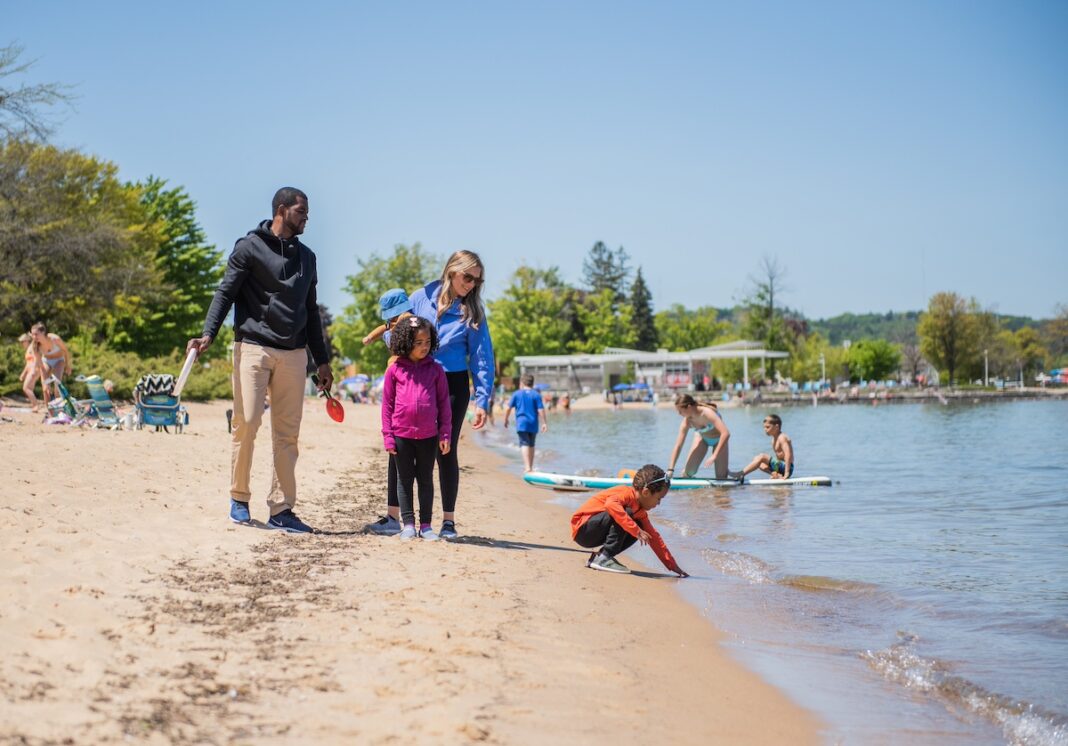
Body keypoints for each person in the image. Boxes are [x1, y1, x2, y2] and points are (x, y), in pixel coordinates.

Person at [187, 187, 333, 533]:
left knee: (287, 434)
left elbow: (311, 311)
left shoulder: (308, 258)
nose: (307, 218)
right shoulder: (248, 247)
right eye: (301, 212)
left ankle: (282, 508)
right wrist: (209, 332)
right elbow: (226, 292)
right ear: (281, 210)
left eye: (308, 213)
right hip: (253, 346)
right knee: (247, 422)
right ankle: (239, 497)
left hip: (295, 354)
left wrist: (322, 361)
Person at [408, 250, 494, 539]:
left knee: (446, 450)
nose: (471, 285)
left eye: (476, 281)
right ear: (451, 271)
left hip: (454, 384)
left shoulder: (474, 312)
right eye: (467, 277)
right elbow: (399, 329)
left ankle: (448, 522)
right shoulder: (421, 297)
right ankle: (415, 521)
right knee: (418, 450)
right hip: (420, 379)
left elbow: (482, 357)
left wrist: (483, 399)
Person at [381, 316, 451, 541]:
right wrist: (388, 436)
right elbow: (387, 405)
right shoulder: (394, 371)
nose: (424, 347)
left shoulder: (436, 370)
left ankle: (426, 525)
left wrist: (446, 433)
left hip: (429, 436)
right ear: (405, 342)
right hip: (401, 435)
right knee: (404, 480)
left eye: (427, 342)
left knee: (426, 480)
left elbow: (444, 404)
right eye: (418, 342)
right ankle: (408, 524)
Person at [570, 464, 687, 576]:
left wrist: (672, 565)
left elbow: (654, 538)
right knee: (628, 515)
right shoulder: (626, 493)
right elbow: (611, 504)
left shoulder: (640, 512)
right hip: (583, 529)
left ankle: (601, 557)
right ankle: (604, 558)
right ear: (646, 492)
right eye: (658, 498)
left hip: (593, 533)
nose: (659, 503)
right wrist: (636, 530)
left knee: (640, 527)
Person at [363, 288, 415, 536]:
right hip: (399, 389)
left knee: (402, 459)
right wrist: (370, 338)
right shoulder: (393, 325)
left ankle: (402, 518)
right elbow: (382, 329)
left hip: (403, 387)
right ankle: (399, 517)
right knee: (398, 456)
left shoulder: (408, 322)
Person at [666, 393, 732, 479]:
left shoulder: (707, 413)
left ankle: (726, 473)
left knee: (721, 477)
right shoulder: (687, 422)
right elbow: (678, 445)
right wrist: (670, 469)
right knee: (689, 472)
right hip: (703, 439)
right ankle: (687, 477)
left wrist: (714, 455)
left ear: (689, 407)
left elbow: (726, 433)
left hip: (719, 440)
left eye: (680, 411)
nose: (679, 414)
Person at [504, 374, 548, 472]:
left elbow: (508, 408)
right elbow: (541, 409)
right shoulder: (536, 394)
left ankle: (527, 467)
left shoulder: (517, 394)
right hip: (533, 423)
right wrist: (544, 423)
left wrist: (506, 419)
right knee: (532, 444)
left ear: (522, 383)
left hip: (521, 423)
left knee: (524, 443)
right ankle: (530, 467)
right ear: (532, 383)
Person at [731, 413, 794, 481]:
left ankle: (741, 474)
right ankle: (775, 474)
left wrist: (787, 473)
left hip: (787, 467)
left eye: (767, 427)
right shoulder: (773, 440)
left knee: (762, 456)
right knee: (756, 459)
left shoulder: (782, 437)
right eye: (764, 427)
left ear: (776, 427)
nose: (765, 429)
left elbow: (788, 455)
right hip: (780, 467)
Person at [30, 323, 71, 403]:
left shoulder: (54, 339)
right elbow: (40, 364)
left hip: (59, 360)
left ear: (43, 332)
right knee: (45, 388)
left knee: (57, 385)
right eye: (33, 335)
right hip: (46, 361)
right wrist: (45, 381)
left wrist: (68, 365)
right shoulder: (35, 346)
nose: (34, 337)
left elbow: (66, 351)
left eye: (36, 334)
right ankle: (49, 412)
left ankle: (60, 410)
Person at [18, 333, 40, 412]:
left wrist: (34, 369)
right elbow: (28, 363)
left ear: (27, 341)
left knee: (26, 388)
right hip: (32, 370)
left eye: (22, 341)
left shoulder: (31, 347)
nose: (21, 344)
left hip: (34, 369)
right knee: (30, 388)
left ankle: (36, 405)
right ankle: (34, 405)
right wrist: (23, 374)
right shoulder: (28, 350)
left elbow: (36, 358)